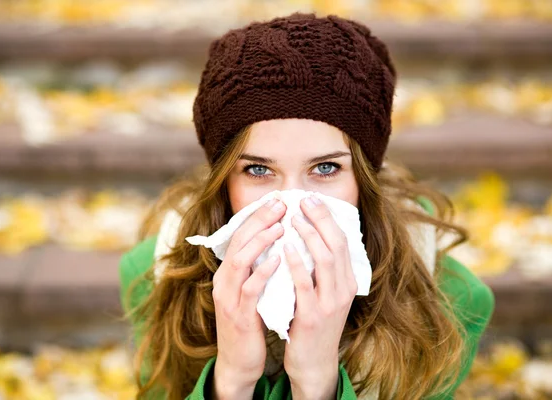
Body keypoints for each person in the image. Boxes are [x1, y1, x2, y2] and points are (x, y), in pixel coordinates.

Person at [119, 13, 494, 400]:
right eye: (259, 169)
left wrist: (317, 382)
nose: (292, 202)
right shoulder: (159, 278)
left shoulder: (446, 302)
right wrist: (230, 381)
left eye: (326, 168)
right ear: (223, 180)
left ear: (363, 179)